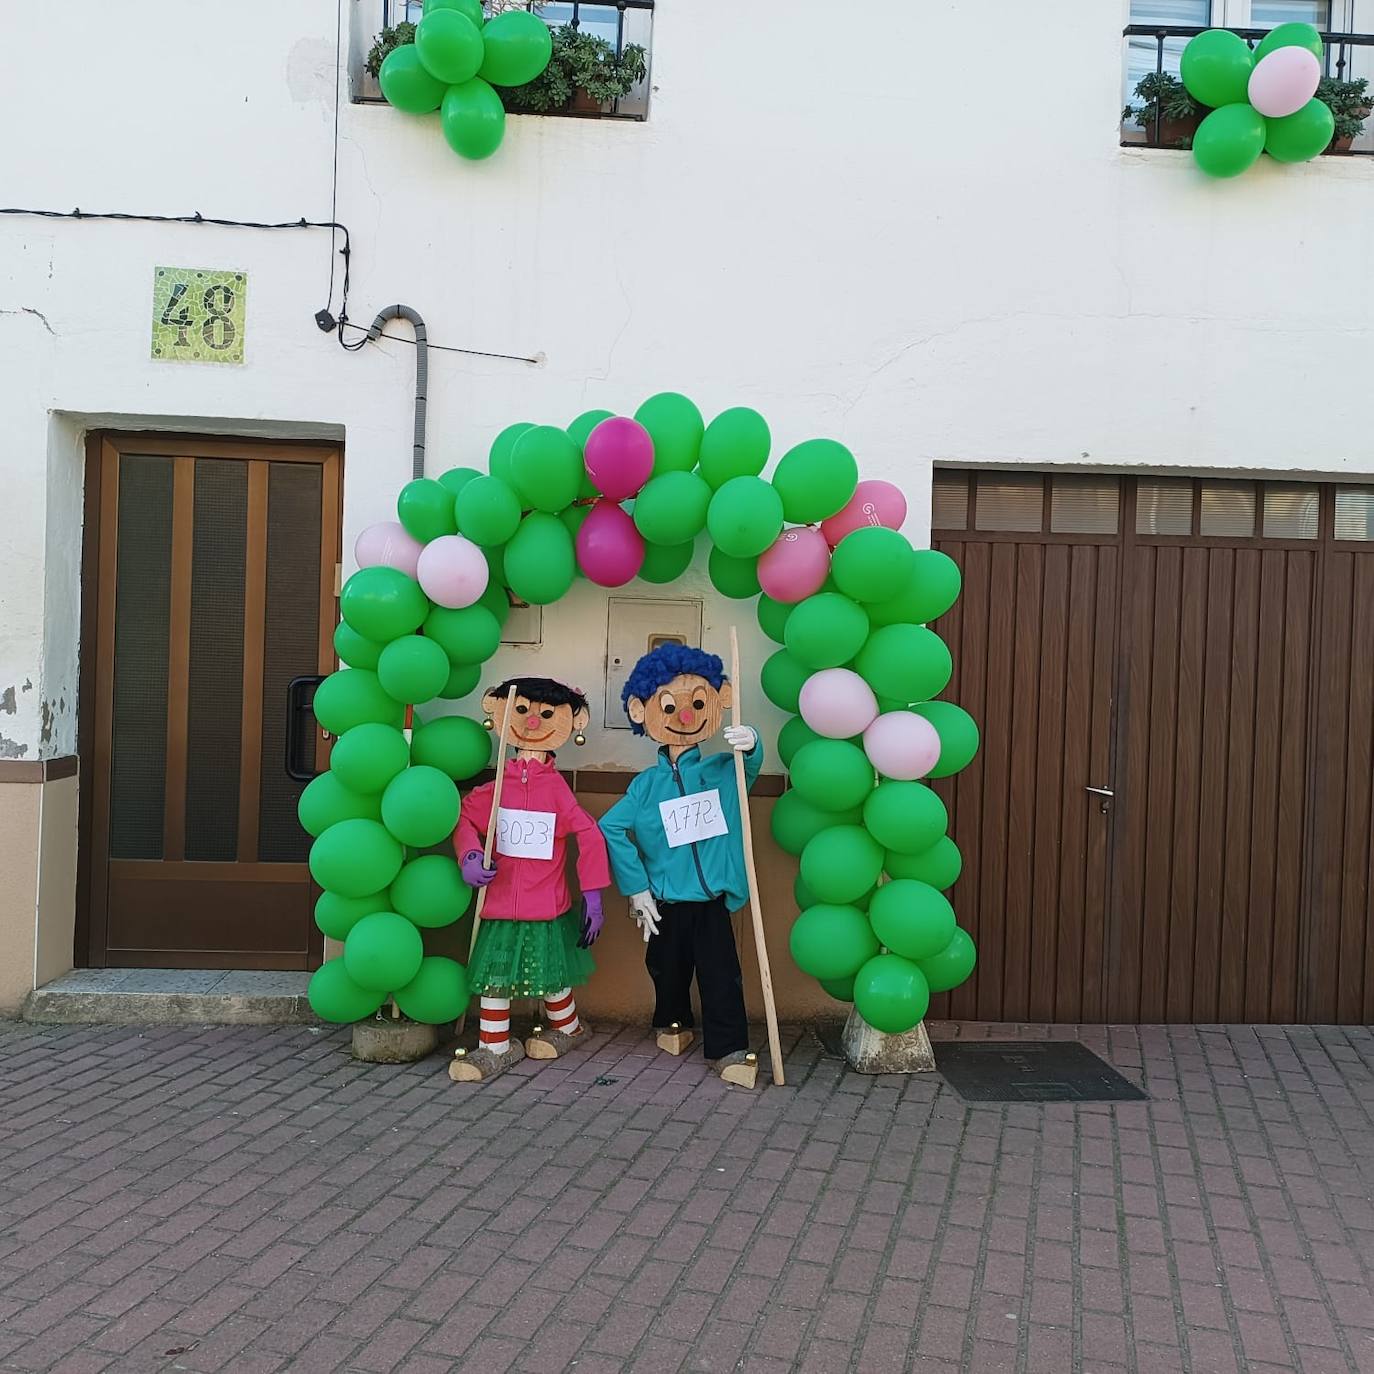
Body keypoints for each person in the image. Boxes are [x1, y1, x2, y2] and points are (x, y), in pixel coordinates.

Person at [598, 645, 763, 1085]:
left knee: (720, 974)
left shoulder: (721, 770)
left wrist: (752, 744)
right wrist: (637, 888)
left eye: (696, 703)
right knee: (666, 968)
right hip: (665, 899)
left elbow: (749, 771)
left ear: (718, 699)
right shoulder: (645, 785)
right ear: (642, 710)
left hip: (710, 900)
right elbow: (610, 828)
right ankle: (672, 1022)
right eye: (669, 705)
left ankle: (729, 1049)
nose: (685, 716)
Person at [449, 677, 609, 1083]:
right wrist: (469, 854)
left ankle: (569, 1027)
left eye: (546, 713)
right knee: (495, 976)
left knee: (552, 975)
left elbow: (589, 833)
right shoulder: (496, 787)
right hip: (500, 901)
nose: (533, 722)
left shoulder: (556, 790)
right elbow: (466, 816)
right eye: (522, 710)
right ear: (498, 711)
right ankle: (494, 1047)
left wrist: (592, 892)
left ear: (574, 721)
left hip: (545, 904)